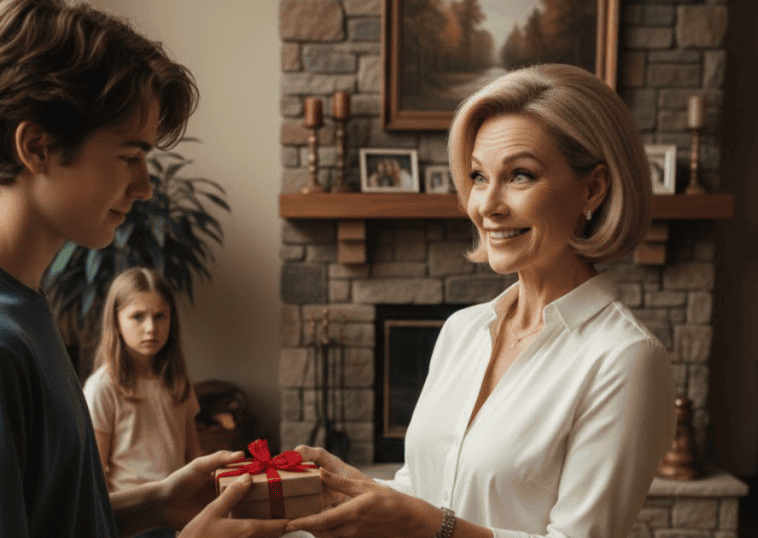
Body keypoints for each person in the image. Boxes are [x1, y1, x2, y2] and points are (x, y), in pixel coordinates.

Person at [0, 1, 289, 537]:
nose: (144, 187)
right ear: (38, 147)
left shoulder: (11, 306)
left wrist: (157, 504)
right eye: (129, 156)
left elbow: (46, 519)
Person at [288, 63, 677, 538]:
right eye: (477, 176)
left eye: (519, 176)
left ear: (592, 188)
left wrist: (429, 526)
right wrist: (351, 487)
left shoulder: (626, 358)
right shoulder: (462, 330)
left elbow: (436, 523)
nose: (486, 205)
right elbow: (430, 493)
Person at [84, 268, 203, 538]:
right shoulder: (103, 387)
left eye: (160, 316)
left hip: (178, 511)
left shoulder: (177, 380)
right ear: (115, 321)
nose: (151, 328)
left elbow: (194, 454)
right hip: (133, 517)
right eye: (137, 316)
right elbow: (95, 471)